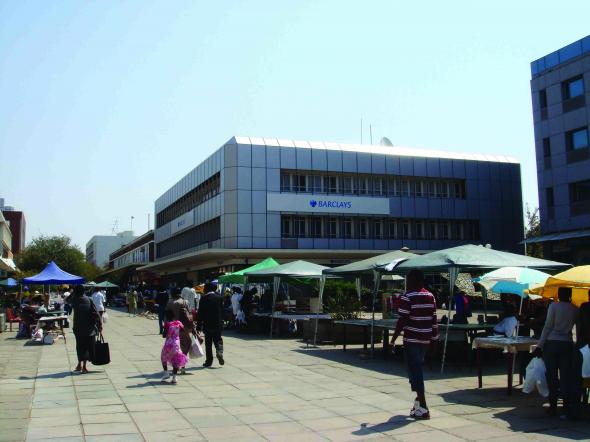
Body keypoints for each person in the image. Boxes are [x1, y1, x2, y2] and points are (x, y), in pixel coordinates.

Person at [390, 269, 438, 420]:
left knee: (415, 371)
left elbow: (402, 321)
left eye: (409, 280)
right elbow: (434, 319)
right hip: (425, 340)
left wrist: (393, 339)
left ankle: (423, 406)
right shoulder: (430, 296)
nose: (407, 283)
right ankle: (418, 403)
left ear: (416, 280)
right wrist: (435, 339)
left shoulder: (407, 297)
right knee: (414, 369)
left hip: (411, 340)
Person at [534, 287, 579, 419]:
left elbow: (547, 326)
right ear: (570, 295)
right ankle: (565, 407)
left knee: (551, 376)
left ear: (559, 295)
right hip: (567, 343)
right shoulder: (574, 309)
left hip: (552, 343)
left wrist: (539, 345)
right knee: (566, 376)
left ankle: (553, 406)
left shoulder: (554, 306)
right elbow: (578, 328)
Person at [69, 285, 102, 374]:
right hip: (89, 328)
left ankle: (80, 364)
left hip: (78, 328)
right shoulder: (89, 299)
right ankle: (83, 366)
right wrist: (100, 325)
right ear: (84, 291)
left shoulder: (74, 300)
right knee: (87, 347)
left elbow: (66, 300)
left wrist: (72, 293)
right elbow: (96, 313)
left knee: (80, 346)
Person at [166, 288, 194, 374]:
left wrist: (165, 330)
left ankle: (177, 366)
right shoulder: (185, 302)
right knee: (185, 346)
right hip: (184, 328)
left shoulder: (170, 303)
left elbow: (167, 317)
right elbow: (189, 315)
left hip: (173, 329)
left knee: (176, 348)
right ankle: (183, 366)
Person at [197, 282, 224, 368]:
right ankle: (219, 352)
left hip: (207, 324)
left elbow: (200, 314)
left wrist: (198, 326)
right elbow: (222, 310)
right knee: (218, 340)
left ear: (207, 289)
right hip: (217, 324)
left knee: (208, 344)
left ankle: (209, 361)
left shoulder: (203, 298)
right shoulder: (219, 298)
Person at [160, 309, 189, 384]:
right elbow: (183, 331)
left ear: (166, 316)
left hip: (168, 344)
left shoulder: (167, 324)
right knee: (175, 360)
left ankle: (166, 372)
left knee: (163, 357)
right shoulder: (178, 323)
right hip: (176, 344)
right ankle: (174, 378)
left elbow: (164, 335)